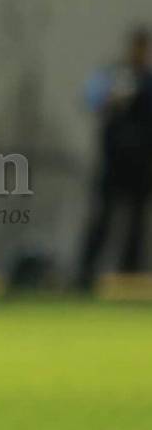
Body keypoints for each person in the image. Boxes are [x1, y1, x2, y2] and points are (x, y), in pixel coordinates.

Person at [78, 27, 152, 290]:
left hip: (142, 163)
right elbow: (90, 98)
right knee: (103, 220)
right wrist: (112, 96)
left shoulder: (148, 80)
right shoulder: (112, 75)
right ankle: (84, 276)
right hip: (113, 161)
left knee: (136, 225)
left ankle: (130, 276)